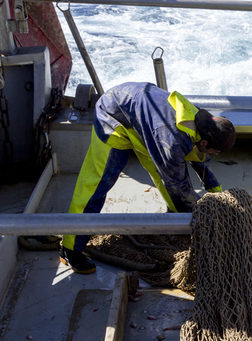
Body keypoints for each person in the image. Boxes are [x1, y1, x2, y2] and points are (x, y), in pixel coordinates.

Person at [60, 82, 236, 274]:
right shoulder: (171, 142)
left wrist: (216, 194)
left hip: (144, 124)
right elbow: (179, 187)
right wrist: (206, 215)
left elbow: (199, 160)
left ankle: (177, 220)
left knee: (165, 180)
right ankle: (70, 248)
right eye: (215, 151)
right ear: (204, 141)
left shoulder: (201, 121)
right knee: (97, 183)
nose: (215, 155)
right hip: (113, 117)